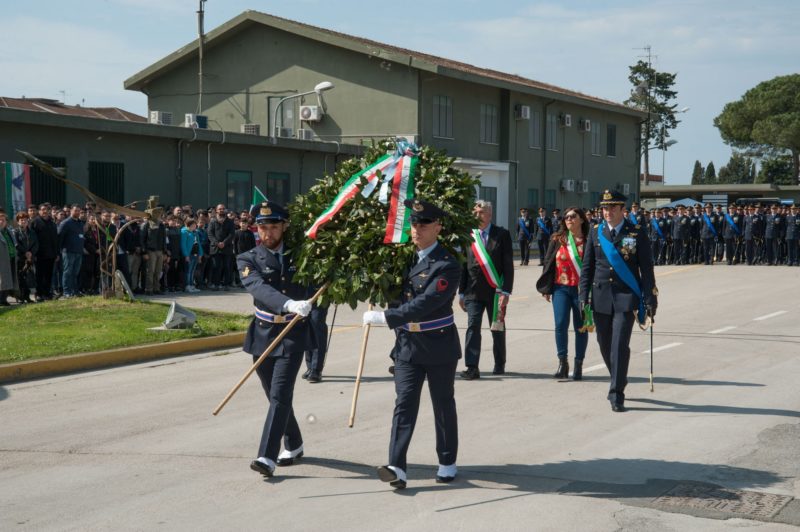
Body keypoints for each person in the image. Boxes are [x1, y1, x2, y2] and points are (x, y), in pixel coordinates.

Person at [362, 199, 461, 489]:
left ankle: (446, 460)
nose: (416, 229)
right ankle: (397, 466)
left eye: (424, 224)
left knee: (442, 404)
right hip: (407, 346)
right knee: (404, 404)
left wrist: (386, 317)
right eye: (414, 224)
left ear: (438, 227)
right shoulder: (401, 259)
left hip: (438, 344)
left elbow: (427, 302)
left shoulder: (447, 264)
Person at [238, 201, 314, 479]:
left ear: (284, 226)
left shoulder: (304, 255)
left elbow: (319, 281)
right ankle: (294, 444)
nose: (267, 233)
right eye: (262, 227)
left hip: (293, 335)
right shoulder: (248, 258)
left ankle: (266, 456)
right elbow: (257, 287)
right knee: (274, 396)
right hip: (263, 333)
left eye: (273, 227)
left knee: (280, 394)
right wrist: (289, 303)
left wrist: (313, 300)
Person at [579, 190, 657, 413]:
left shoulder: (636, 232)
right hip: (601, 296)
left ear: (623, 209)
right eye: (604, 208)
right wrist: (583, 295)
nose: (607, 212)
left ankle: (616, 393)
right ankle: (619, 376)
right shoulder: (596, 232)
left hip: (626, 297)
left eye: (612, 207)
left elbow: (646, 268)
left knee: (619, 344)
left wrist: (650, 298)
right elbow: (588, 268)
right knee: (605, 344)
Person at [458, 200, 514, 379]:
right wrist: (461, 292)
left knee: (497, 328)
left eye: (481, 212)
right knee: (472, 327)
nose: (477, 215)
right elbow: (463, 264)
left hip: (495, 291)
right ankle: (472, 366)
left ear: (490, 214)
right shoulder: (468, 234)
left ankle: (499, 363)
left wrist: (506, 291)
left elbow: (508, 265)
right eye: (475, 212)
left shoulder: (502, 234)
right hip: (473, 291)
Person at [536, 206, 590, 381]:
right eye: (566, 217)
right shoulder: (558, 239)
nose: (568, 219)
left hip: (582, 291)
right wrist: (546, 288)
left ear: (581, 219)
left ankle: (579, 364)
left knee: (581, 327)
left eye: (573, 216)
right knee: (560, 324)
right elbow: (548, 262)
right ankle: (562, 363)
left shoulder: (589, 240)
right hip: (560, 288)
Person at [30, 203, 58, 300]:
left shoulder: (52, 223)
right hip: (39, 255)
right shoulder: (35, 222)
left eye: (46, 210)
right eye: (42, 209)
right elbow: (32, 239)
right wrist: (33, 253)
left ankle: (47, 293)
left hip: (51, 255)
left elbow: (55, 239)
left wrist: (56, 253)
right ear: (39, 211)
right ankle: (39, 294)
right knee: (40, 276)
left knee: (49, 275)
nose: (45, 211)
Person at [58, 205, 85, 298]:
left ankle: (75, 291)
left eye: (79, 211)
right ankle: (66, 292)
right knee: (67, 272)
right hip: (68, 251)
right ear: (70, 211)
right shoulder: (65, 223)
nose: (77, 212)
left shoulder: (81, 223)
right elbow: (60, 237)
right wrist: (61, 250)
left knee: (75, 273)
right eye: (75, 211)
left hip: (78, 251)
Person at [208, 203, 235, 290]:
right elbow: (210, 234)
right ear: (216, 210)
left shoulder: (230, 221)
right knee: (216, 267)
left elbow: (232, 234)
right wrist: (217, 243)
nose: (221, 210)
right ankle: (216, 284)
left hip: (227, 248)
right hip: (215, 248)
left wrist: (224, 243)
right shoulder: (212, 221)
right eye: (220, 209)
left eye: (223, 209)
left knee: (227, 267)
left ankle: (226, 285)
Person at [13, 212, 38, 303]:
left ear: (28, 221)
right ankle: (21, 297)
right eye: (21, 220)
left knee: (29, 279)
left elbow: (36, 244)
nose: (23, 221)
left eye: (25, 220)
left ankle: (27, 297)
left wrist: (31, 253)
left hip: (30, 259)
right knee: (20, 279)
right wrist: (25, 253)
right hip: (20, 258)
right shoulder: (15, 232)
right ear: (18, 222)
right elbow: (16, 244)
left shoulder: (32, 232)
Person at [141, 208, 167, 295]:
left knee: (158, 271)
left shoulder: (162, 225)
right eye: (157, 213)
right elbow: (142, 239)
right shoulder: (146, 225)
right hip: (150, 250)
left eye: (159, 213)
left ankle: (157, 288)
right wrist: (144, 252)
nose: (158, 215)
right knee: (150, 271)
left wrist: (165, 252)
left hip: (160, 251)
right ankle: (148, 289)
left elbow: (164, 239)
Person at [0, 212, 19, 305]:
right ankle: (1, 299)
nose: (1, 221)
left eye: (3, 220)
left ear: (6, 222)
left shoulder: (9, 231)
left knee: (9, 279)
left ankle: (4, 299)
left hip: (10, 257)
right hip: (2, 260)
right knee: (2, 280)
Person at [180, 217, 203, 292]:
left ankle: (192, 285)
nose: (195, 226)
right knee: (188, 271)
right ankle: (187, 285)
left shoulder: (195, 232)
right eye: (193, 224)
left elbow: (198, 243)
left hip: (195, 254)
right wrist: (186, 255)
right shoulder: (184, 232)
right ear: (188, 224)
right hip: (189, 254)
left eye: (195, 224)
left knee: (193, 270)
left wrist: (200, 254)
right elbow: (183, 244)